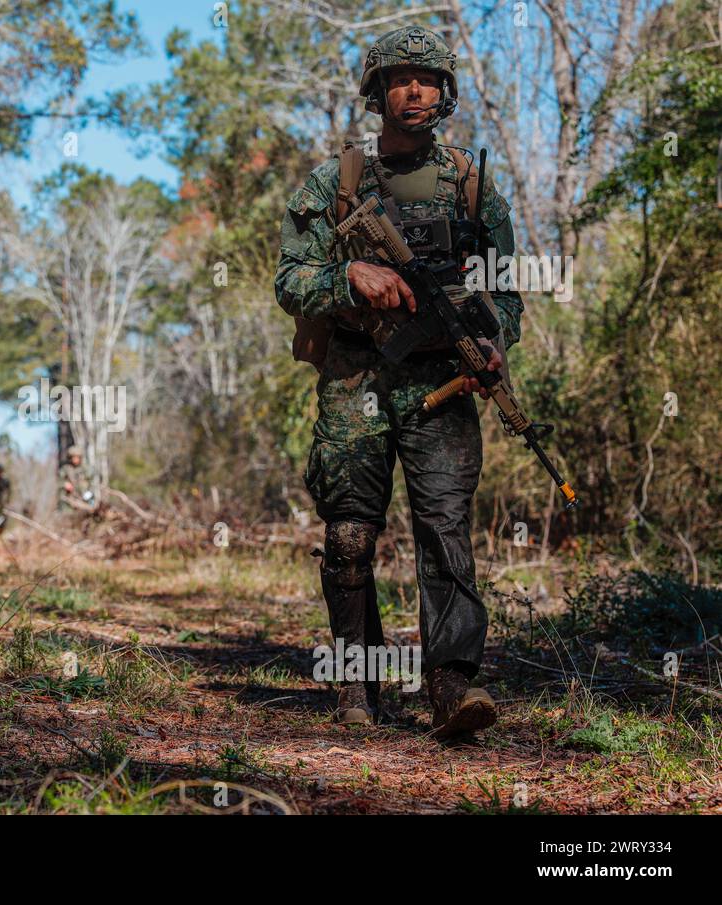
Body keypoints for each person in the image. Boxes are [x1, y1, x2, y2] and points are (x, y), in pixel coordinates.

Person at [274, 25, 522, 739]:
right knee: (350, 533)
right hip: (355, 376)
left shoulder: (470, 185)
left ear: (444, 91)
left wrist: (491, 343)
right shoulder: (335, 183)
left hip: (441, 381)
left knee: (445, 531)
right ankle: (357, 683)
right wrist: (348, 275)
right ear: (377, 91)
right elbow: (290, 280)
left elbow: (506, 290)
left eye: (427, 79)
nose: (414, 90)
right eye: (400, 79)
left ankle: (451, 686)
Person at [57, 446, 94, 513]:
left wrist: (89, 494)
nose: (75, 459)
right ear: (70, 457)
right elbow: (58, 482)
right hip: (69, 501)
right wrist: (64, 484)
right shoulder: (66, 469)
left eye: (77, 457)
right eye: (73, 457)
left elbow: (92, 483)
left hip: (84, 500)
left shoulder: (85, 469)